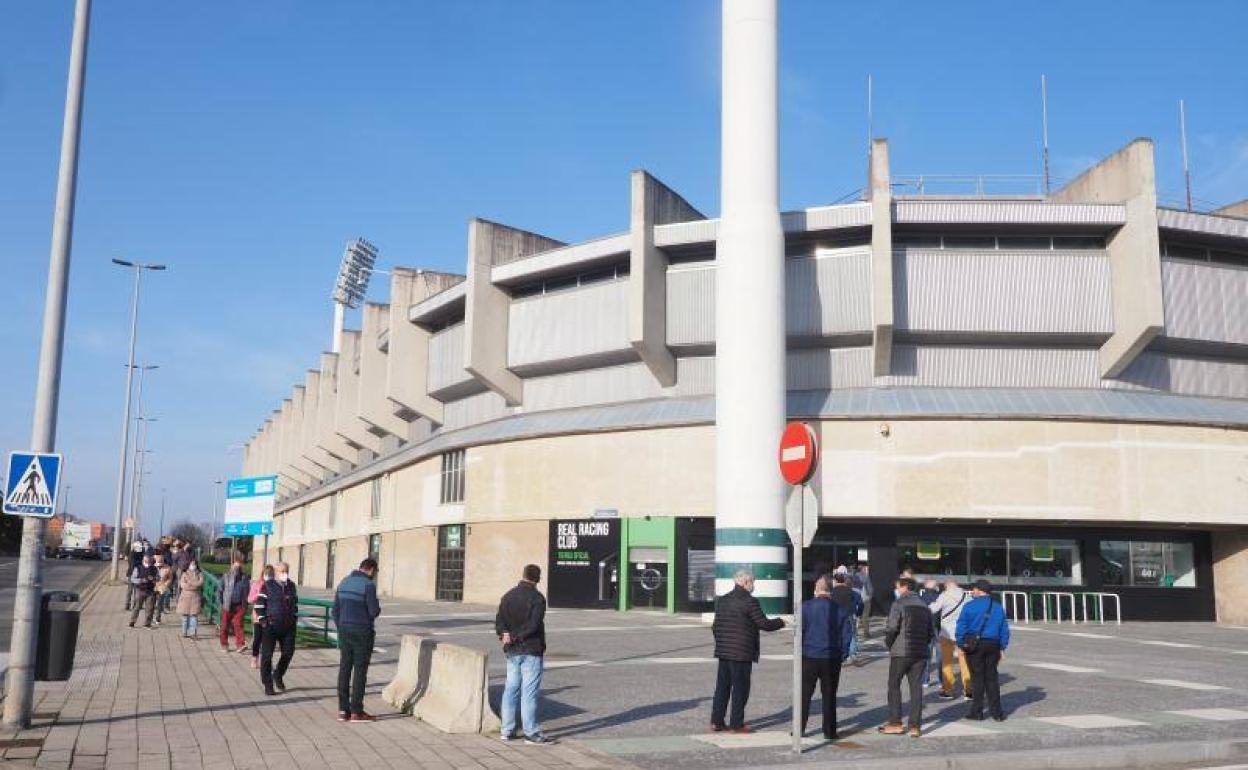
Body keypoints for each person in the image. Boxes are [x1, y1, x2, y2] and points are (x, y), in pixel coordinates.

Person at [710, 568, 786, 734]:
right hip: (742, 653)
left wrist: (722, 643)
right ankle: (737, 724)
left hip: (724, 652)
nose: (754, 585)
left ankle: (717, 721)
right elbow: (764, 624)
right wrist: (782, 621)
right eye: (753, 582)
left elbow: (715, 626)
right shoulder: (749, 601)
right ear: (745, 582)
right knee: (740, 689)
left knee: (722, 687)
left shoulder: (723, 600)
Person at [494, 564, 554, 745]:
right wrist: (516, 636)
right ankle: (531, 733)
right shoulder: (538, 598)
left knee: (511, 689)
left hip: (512, 651)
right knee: (529, 692)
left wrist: (504, 634)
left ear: (523, 575)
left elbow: (499, 620)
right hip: (531, 649)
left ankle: (506, 730)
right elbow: (534, 625)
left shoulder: (508, 596)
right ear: (538, 578)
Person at [800, 577, 855, 740]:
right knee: (829, 695)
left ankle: (800, 728)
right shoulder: (840, 610)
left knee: (804, 694)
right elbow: (847, 634)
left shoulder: (806, 607)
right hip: (831, 657)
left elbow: (800, 631)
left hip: (809, 655)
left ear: (817, 589)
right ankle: (829, 731)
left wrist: (802, 650)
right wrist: (843, 654)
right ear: (830, 590)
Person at [878, 577, 933, 737]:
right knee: (916, 688)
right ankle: (915, 726)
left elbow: (892, 628)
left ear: (904, 587)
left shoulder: (899, 604)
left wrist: (889, 644)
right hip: (920, 653)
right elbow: (930, 632)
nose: (897, 590)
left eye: (898, 587)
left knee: (894, 685)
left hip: (901, 652)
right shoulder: (925, 607)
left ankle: (896, 723)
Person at [332, 558, 382, 723]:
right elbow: (373, 611)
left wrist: (341, 627)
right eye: (375, 573)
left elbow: (335, 611)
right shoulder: (368, 585)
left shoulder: (343, 582)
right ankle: (356, 711)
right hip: (362, 632)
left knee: (345, 668)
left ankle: (342, 710)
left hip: (344, 630)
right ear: (371, 570)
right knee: (360, 671)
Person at [956, 579, 1010, 722]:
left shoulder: (969, 606)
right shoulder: (998, 607)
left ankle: (977, 712)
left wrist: (961, 644)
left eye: (974, 589)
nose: (972, 592)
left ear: (979, 590)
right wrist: (1002, 646)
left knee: (977, 678)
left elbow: (961, 626)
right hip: (993, 644)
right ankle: (997, 713)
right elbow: (1004, 628)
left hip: (975, 645)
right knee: (992, 678)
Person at [255, 562, 298, 696]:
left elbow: (295, 604)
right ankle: (268, 684)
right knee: (267, 656)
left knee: (288, 652)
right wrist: (263, 621)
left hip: (288, 626)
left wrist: (294, 618)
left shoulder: (291, 586)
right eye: (281, 571)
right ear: (276, 572)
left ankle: (278, 674)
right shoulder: (267, 586)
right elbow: (259, 605)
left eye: (285, 571)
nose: (283, 573)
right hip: (271, 626)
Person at [928, 578, 973, 701]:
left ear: (947, 586)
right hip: (963, 633)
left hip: (947, 633)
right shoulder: (967, 596)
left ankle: (948, 690)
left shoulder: (944, 595)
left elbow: (933, 609)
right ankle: (969, 690)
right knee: (965, 662)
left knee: (947, 662)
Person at [828, 572, 864, 665]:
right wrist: (858, 613)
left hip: (835, 616)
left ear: (835, 581)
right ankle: (853, 654)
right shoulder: (851, 592)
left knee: (838, 635)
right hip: (849, 615)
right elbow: (860, 603)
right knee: (851, 634)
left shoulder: (832, 593)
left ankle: (841, 655)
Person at [217, 559, 250, 653]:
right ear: (231, 567)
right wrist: (220, 603)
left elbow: (247, 592)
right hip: (227, 605)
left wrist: (245, 605)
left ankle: (240, 644)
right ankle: (224, 644)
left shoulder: (244, 578)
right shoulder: (225, 576)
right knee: (224, 625)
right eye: (235, 567)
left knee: (238, 624)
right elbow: (220, 590)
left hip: (240, 605)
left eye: (238, 567)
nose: (236, 569)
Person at [918, 578, 942, 688]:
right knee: (940, 657)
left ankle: (925, 680)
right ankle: (941, 680)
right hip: (939, 629)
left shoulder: (921, 598)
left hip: (925, 629)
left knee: (926, 656)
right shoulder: (940, 597)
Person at [249, 566, 272, 668]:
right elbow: (249, 599)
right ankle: (254, 658)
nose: (268, 576)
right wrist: (259, 596)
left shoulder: (274, 586)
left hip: (270, 617)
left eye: (270, 574)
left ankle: (266, 662)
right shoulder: (256, 584)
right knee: (257, 639)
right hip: (258, 617)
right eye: (266, 574)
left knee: (268, 641)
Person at [128, 555, 159, 629]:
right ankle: (132, 622)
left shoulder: (154, 569)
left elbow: (158, 578)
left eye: (149, 561)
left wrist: (154, 578)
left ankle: (147, 623)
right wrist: (141, 580)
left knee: (150, 608)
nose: (148, 563)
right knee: (137, 607)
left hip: (151, 591)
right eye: (146, 561)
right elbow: (132, 579)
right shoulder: (138, 568)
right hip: (140, 590)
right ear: (143, 561)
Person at [176, 561, 204, 639]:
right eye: (191, 564)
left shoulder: (200, 573)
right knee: (185, 616)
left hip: (195, 598)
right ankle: (184, 632)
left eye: (194, 564)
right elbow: (182, 585)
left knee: (194, 616)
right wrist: (194, 584)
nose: (193, 565)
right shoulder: (184, 573)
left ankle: (193, 633)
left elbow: (200, 583)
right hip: (185, 597)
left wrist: (190, 583)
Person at [125, 541, 145, 611]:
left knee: (135, 591)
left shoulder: (139, 554)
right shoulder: (133, 555)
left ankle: (133, 605)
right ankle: (129, 605)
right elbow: (133, 564)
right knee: (132, 591)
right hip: (133, 573)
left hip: (137, 573)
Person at [153, 554, 173, 625]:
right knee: (151, 603)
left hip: (162, 588)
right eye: (158, 565)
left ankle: (158, 618)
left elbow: (170, 578)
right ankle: (150, 617)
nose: (159, 566)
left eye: (160, 564)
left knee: (159, 604)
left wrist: (166, 584)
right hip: (152, 587)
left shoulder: (167, 568)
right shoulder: (152, 567)